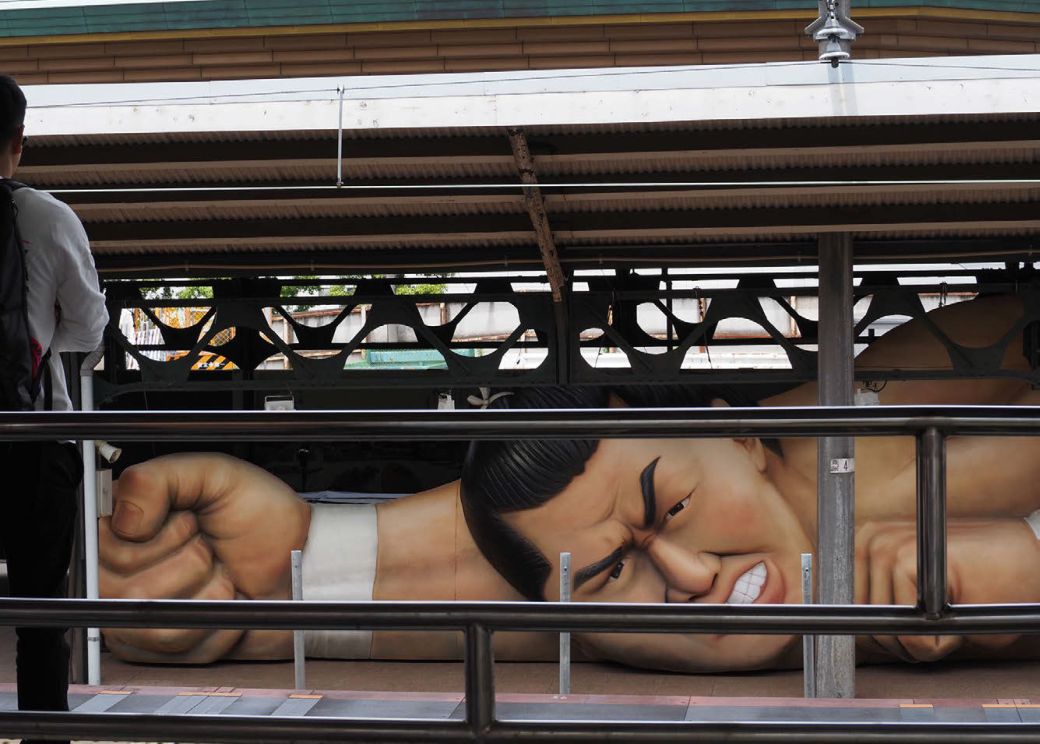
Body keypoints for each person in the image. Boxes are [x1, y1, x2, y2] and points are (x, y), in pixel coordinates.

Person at [99, 293, 1040, 672]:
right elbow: (507, 569)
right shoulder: (587, 609)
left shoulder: (885, 414)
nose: (691, 575)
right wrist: (290, 577)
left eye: (672, 506)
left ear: (741, 438)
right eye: (611, 581)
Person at [0, 75, 109, 742]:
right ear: (17, 142)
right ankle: (44, 732)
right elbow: (90, 327)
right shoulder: (45, 216)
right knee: (42, 611)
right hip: (35, 441)